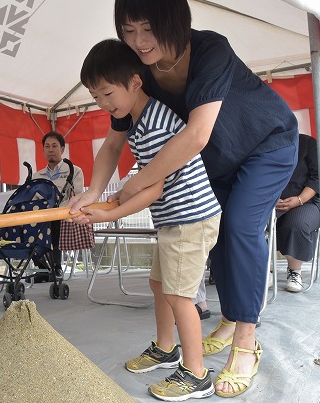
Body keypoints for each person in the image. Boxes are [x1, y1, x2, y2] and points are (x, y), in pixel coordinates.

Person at [70, 0, 298, 398]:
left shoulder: (211, 49)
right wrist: (94, 192)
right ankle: (230, 319)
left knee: (240, 227)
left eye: (149, 28)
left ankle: (246, 343)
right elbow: (113, 141)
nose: (139, 41)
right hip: (219, 161)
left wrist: (132, 187)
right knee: (221, 237)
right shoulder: (138, 70)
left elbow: (195, 136)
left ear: (174, 18)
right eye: (128, 29)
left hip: (267, 145)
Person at [79, 38, 222, 401]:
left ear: (135, 82)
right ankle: (165, 348)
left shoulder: (155, 123)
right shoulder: (135, 121)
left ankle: (196, 372)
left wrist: (110, 214)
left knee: (178, 294)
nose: (103, 104)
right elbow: (117, 156)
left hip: (190, 218)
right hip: (173, 220)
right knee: (160, 286)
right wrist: (98, 196)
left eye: (107, 94)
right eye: (96, 97)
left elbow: (152, 189)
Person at [30, 131, 85, 281]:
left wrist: (58, 210)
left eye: (54, 146)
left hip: (64, 215)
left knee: (52, 222)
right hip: (42, 215)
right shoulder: (37, 176)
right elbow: (32, 199)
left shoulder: (74, 171)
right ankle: (43, 268)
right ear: (43, 150)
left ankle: (56, 267)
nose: (50, 149)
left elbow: (78, 196)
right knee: (25, 224)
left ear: (62, 149)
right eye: (47, 146)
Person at [276, 134, 320, 293]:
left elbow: (317, 177)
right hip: (271, 200)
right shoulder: (265, 143)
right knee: (252, 224)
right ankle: (262, 270)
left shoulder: (308, 143)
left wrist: (299, 200)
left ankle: (294, 271)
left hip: (307, 201)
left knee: (296, 224)